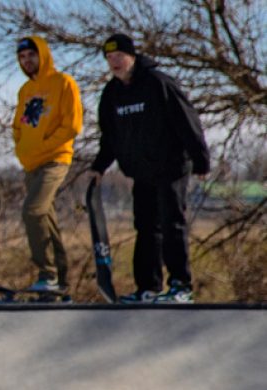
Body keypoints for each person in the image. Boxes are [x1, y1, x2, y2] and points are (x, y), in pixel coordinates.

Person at [90, 34, 209, 304]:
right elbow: (110, 136)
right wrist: (99, 166)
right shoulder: (111, 94)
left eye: (119, 56)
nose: (114, 62)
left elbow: (186, 119)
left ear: (132, 56)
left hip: (171, 166)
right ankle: (148, 287)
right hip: (141, 171)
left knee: (171, 223)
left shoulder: (158, 83)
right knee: (145, 227)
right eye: (109, 58)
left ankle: (181, 286)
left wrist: (200, 157)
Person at [12, 36, 83, 293]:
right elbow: (17, 125)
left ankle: (47, 273)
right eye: (22, 57)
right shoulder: (25, 90)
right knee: (46, 218)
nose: (27, 61)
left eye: (31, 55)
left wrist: (44, 146)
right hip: (31, 164)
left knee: (32, 210)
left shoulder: (63, 83)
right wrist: (22, 148)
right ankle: (61, 280)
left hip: (55, 160)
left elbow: (72, 126)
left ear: (42, 55)